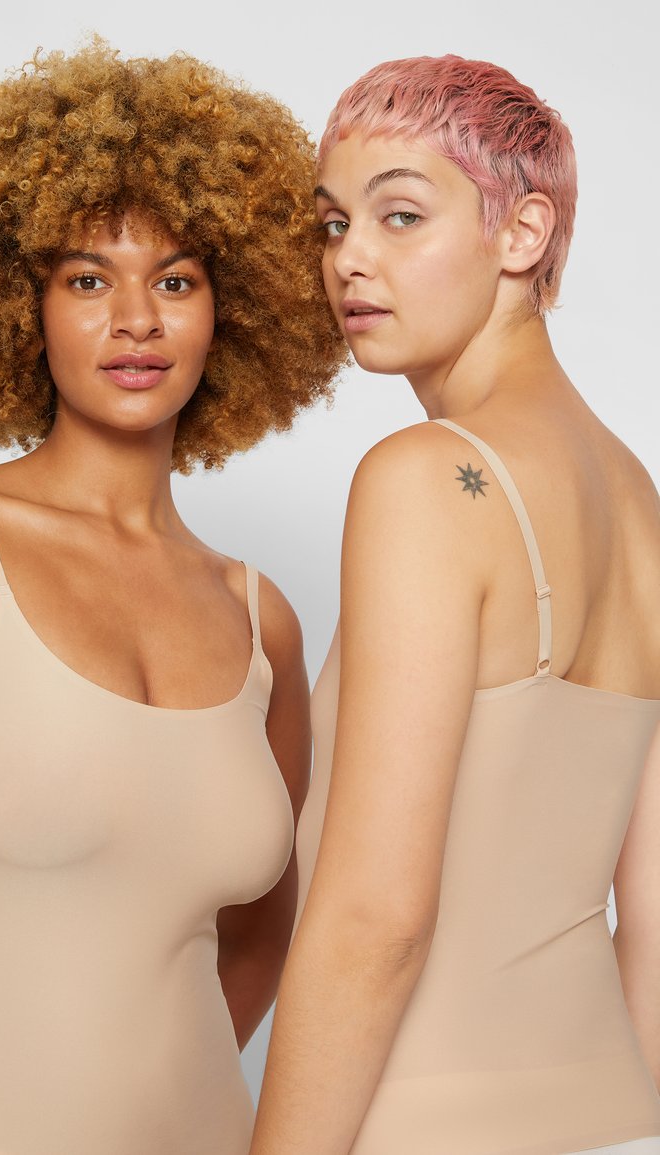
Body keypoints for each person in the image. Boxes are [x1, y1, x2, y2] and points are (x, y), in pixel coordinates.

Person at [0, 42, 345, 1155]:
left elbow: (262, 939)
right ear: (19, 305)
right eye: (88, 279)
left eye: (175, 280)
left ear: (232, 310)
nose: (137, 320)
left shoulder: (260, 619)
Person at [249, 54, 660, 1155]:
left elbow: (375, 920)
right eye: (333, 224)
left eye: (399, 216)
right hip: (615, 1119)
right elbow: (657, 916)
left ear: (521, 233)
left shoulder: (426, 477)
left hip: (424, 1126)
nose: (349, 258)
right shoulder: (638, 501)